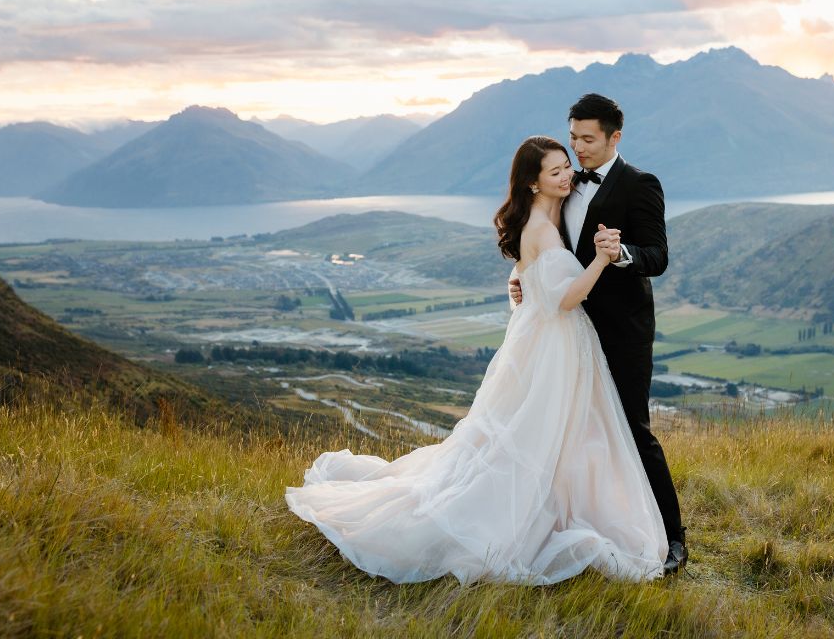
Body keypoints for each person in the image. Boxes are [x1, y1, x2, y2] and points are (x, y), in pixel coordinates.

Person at [285, 135, 667, 585]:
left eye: (568, 166)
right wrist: (603, 260)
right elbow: (565, 299)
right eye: (556, 171)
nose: (567, 176)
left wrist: (520, 277)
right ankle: (526, 517)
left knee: (560, 435)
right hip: (558, 344)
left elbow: (533, 270)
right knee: (539, 434)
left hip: (554, 342)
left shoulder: (550, 216)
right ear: (532, 183)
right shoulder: (541, 228)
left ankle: (563, 508)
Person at [509, 93, 687, 576]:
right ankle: (588, 524)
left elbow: (658, 256)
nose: (578, 149)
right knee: (573, 432)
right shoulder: (563, 188)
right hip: (570, 336)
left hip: (622, 332)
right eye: (573, 138)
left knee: (633, 431)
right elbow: (548, 251)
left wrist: (622, 251)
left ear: (614, 138)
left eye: (587, 139)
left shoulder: (640, 184)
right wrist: (524, 278)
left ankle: (672, 538)